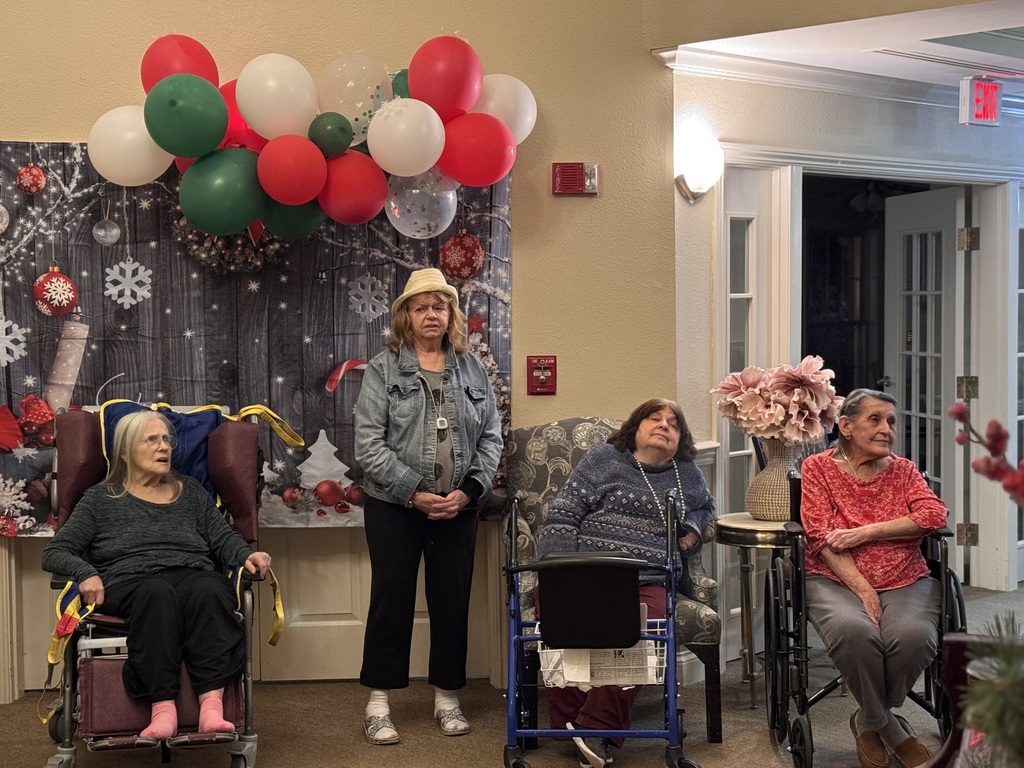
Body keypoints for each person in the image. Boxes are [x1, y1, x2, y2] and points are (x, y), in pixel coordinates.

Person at [41, 410, 271, 739]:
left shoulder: (190, 492)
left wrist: (247, 555)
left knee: (210, 588)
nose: (164, 447)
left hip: (190, 574)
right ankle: (163, 709)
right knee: (157, 593)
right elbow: (55, 552)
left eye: (166, 440)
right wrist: (86, 572)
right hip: (129, 582)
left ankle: (211, 708)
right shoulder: (99, 499)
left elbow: (223, 539)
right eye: (152, 440)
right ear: (124, 451)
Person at [354, 267, 503, 745]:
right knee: (391, 600)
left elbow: (491, 438)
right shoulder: (382, 369)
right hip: (394, 507)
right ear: (406, 316)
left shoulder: (472, 368)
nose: (431, 314)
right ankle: (379, 704)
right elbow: (368, 446)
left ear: (451, 314)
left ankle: (447, 699)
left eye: (440, 306)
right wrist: (414, 490)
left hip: (457, 509)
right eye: (421, 307)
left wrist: (470, 490)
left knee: (451, 601)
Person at [537, 398, 715, 768]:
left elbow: (705, 508)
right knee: (556, 614)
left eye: (673, 424)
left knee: (644, 628)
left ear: (680, 440)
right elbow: (565, 512)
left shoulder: (686, 473)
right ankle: (579, 726)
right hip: (584, 571)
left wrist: (693, 530)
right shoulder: (605, 458)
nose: (664, 426)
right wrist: (559, 570)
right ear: (635, 427)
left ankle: (593, 726)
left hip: (646, 577)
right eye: (655, 418)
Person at [799, 388, 947, 768]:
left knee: (914, 637)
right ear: (846, 427)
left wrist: (865, 532)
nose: (886, 429)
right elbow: (819, 535)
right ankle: (891, 729)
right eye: (876, 420)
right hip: (835, 578)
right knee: (854, 631)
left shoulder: (904, 471)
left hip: (905, 577)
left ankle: (868, 720)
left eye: (891, 422)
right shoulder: (817, 468)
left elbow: (934, 516)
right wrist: (863, 590)